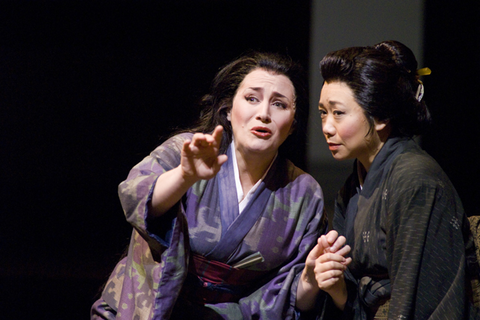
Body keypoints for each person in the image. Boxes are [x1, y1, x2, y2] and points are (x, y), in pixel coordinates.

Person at [90, 51, 328, 320]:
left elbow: (289, 293)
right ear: (227, 110)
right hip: (143, 309)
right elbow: (136, 197)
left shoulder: (304, 193)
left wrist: (311, 279)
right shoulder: (187, 150)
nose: (263, 114)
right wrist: (185, 176)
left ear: (293, 124)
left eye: (279, 105)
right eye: (252, 98)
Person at [298, 40, 479, 319]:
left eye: (338, 113)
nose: (326, 127)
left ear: (380, 116)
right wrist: (335, 285)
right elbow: (350, 290)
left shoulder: (415, 180)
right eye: (323, 113)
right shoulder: (352, 187)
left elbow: (424, 302)